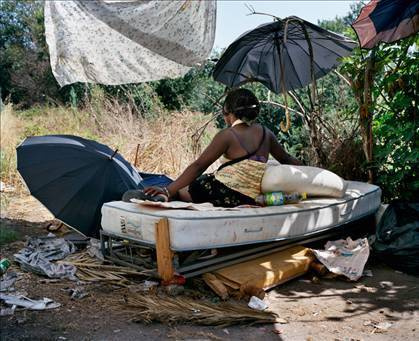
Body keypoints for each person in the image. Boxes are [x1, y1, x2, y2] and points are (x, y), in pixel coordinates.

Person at [123, 88, 301, 207]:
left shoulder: (227, 135)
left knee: (186, 189)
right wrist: (312, 169)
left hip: (223, 193)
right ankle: (166, 195)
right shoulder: (266, 133)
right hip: (247, 198)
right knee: (189, 186)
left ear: (229, 113)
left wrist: (169, 189)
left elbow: (199, 166)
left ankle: (163, 196)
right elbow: (286, 159)